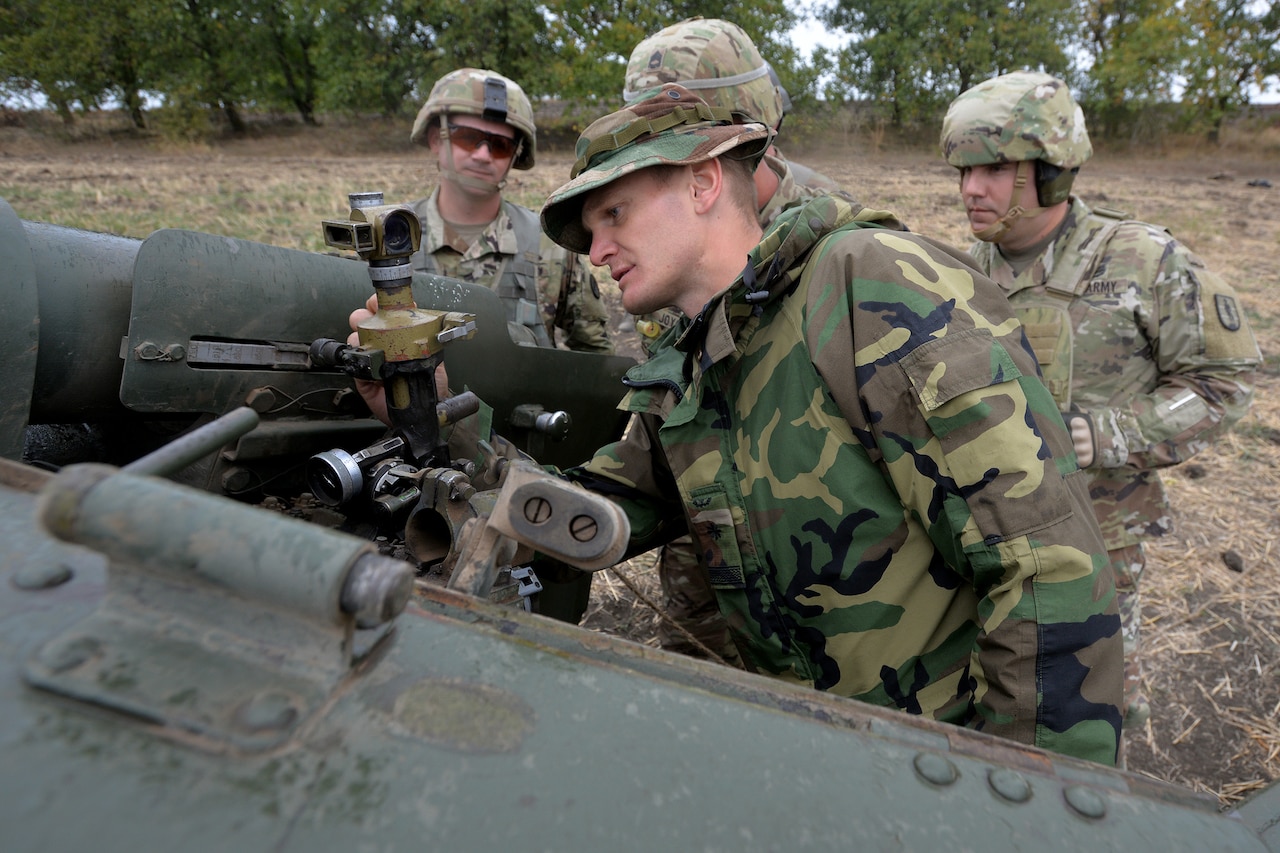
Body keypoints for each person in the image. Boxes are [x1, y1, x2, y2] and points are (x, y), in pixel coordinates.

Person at [529, 83, 1123, 764]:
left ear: (702, 182)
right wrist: (448, 445)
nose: (597, 251)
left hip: (930, 765)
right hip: (805, 756)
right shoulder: (691, 352)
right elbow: (614, 500)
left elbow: (1046, 564)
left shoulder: (868, 286)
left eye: (614, 213)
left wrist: (1025, 797)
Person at [940, 71, 1260, 735]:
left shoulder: (1142, 261)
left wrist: (1107, 434)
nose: (972, 188)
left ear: (1053, 171)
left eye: (995, 167)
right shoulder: (965, 269)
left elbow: (1224, 381)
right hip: (995, 540)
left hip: (1099, 543)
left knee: (1096, 707)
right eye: (965, 168)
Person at [620, 17, 891, 664]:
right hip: (696, 503)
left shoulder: (832, 234)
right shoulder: (655, 227)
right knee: (694, 657)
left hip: (799, 516)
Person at [406, 67, 613, 353]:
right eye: (467, 137)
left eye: (500, 145)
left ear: (515, 155)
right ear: (435, 139)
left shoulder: (549, 247)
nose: (482, 155)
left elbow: (594, 357)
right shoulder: (389, 237)